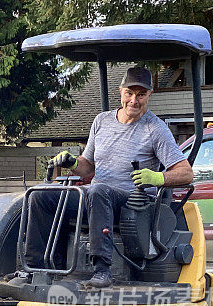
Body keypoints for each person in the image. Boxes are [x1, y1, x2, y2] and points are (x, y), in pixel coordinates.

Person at [14, 66, 194, 288]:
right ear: (121, 91)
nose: (134, 100)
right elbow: (87, 168)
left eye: (141, 94)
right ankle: (37, 268)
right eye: (129, 93)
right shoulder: (101, 121)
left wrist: (156, 178)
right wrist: (72, 162)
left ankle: (102, 270)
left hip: (133, 204)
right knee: (41, 197)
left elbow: (186, 173)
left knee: (99, 191)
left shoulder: (155, 129)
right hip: (96, 198)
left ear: (149, 95)